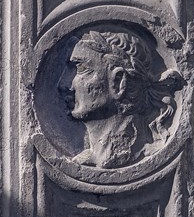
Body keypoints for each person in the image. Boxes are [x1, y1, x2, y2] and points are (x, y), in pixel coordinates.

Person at [61, 30, 184, 168]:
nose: (65, 85)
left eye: (81, 68)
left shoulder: (135, 153)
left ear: (118, 82)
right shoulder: (82, 160)